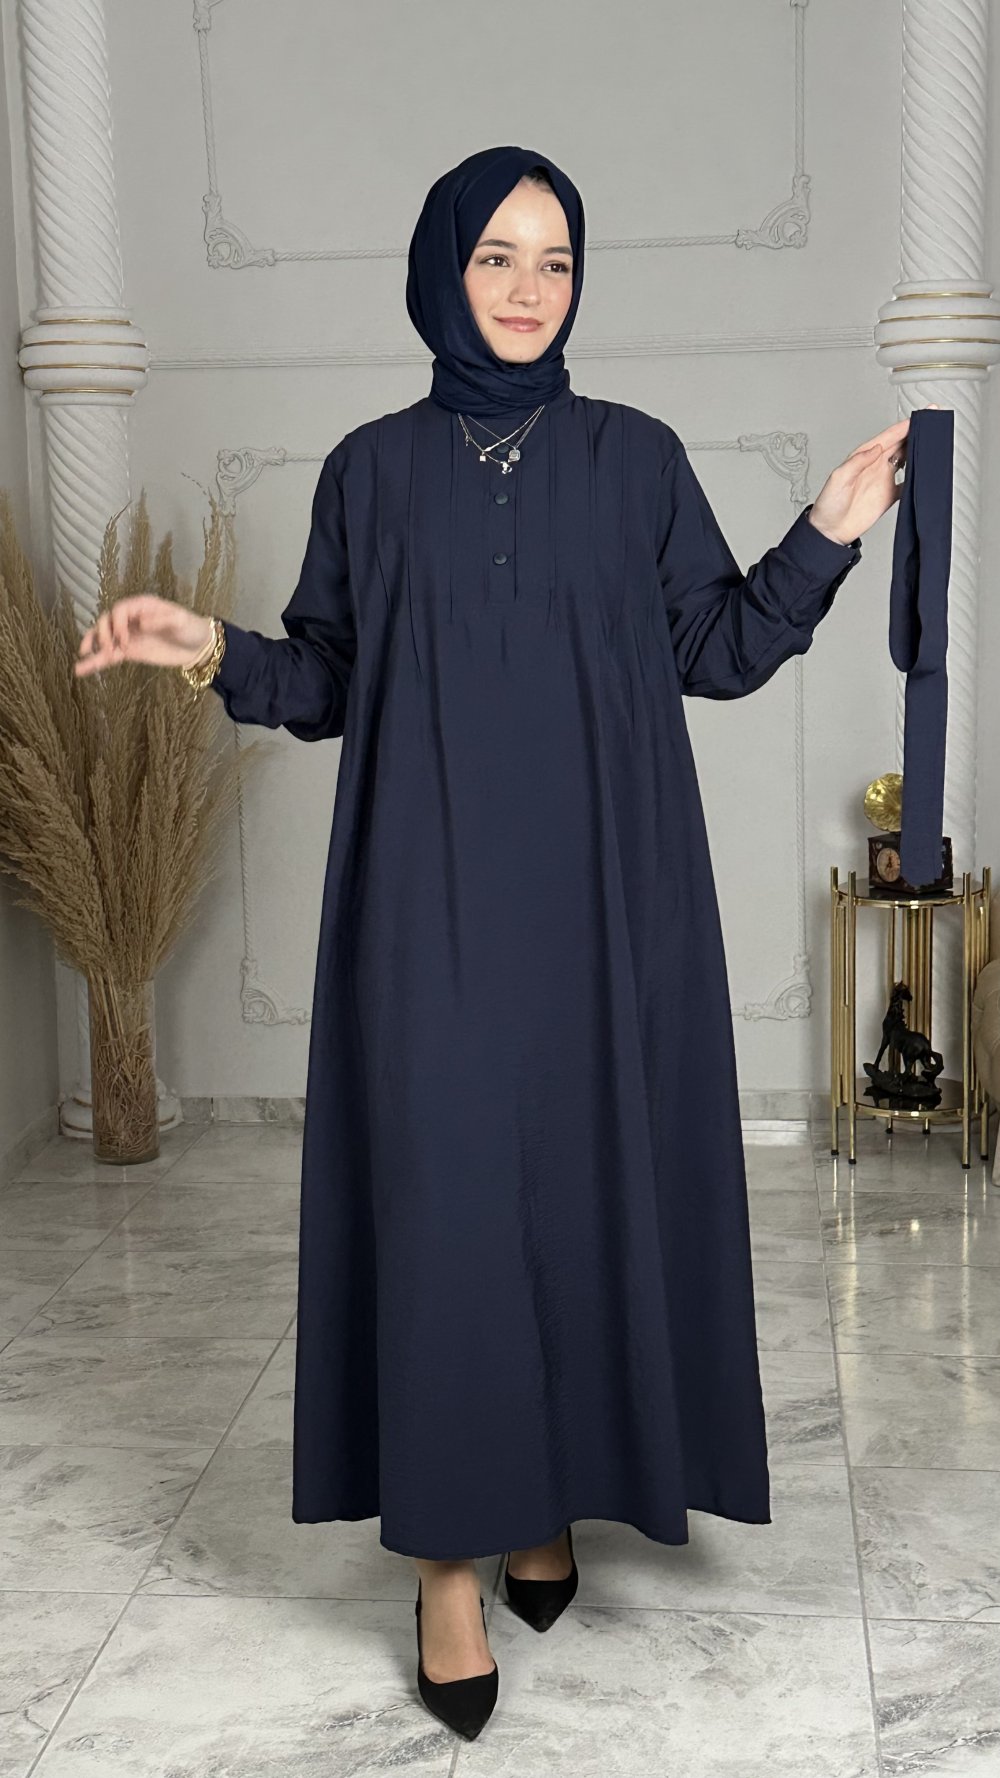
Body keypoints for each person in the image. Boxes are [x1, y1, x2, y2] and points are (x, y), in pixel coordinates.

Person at [75, 144, 917, 1743]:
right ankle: (448, 1570)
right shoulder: (369, 473)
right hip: (428, 895)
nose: (530, 289)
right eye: (497, 257)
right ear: (441, 271)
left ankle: (549, 1499)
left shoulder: (634, 458)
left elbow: (717, 647)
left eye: (556, 260)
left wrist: (825, 527)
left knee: (582, 1196)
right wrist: (204, 649)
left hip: (610, 903)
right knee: (449, 1212)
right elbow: (328, 677)